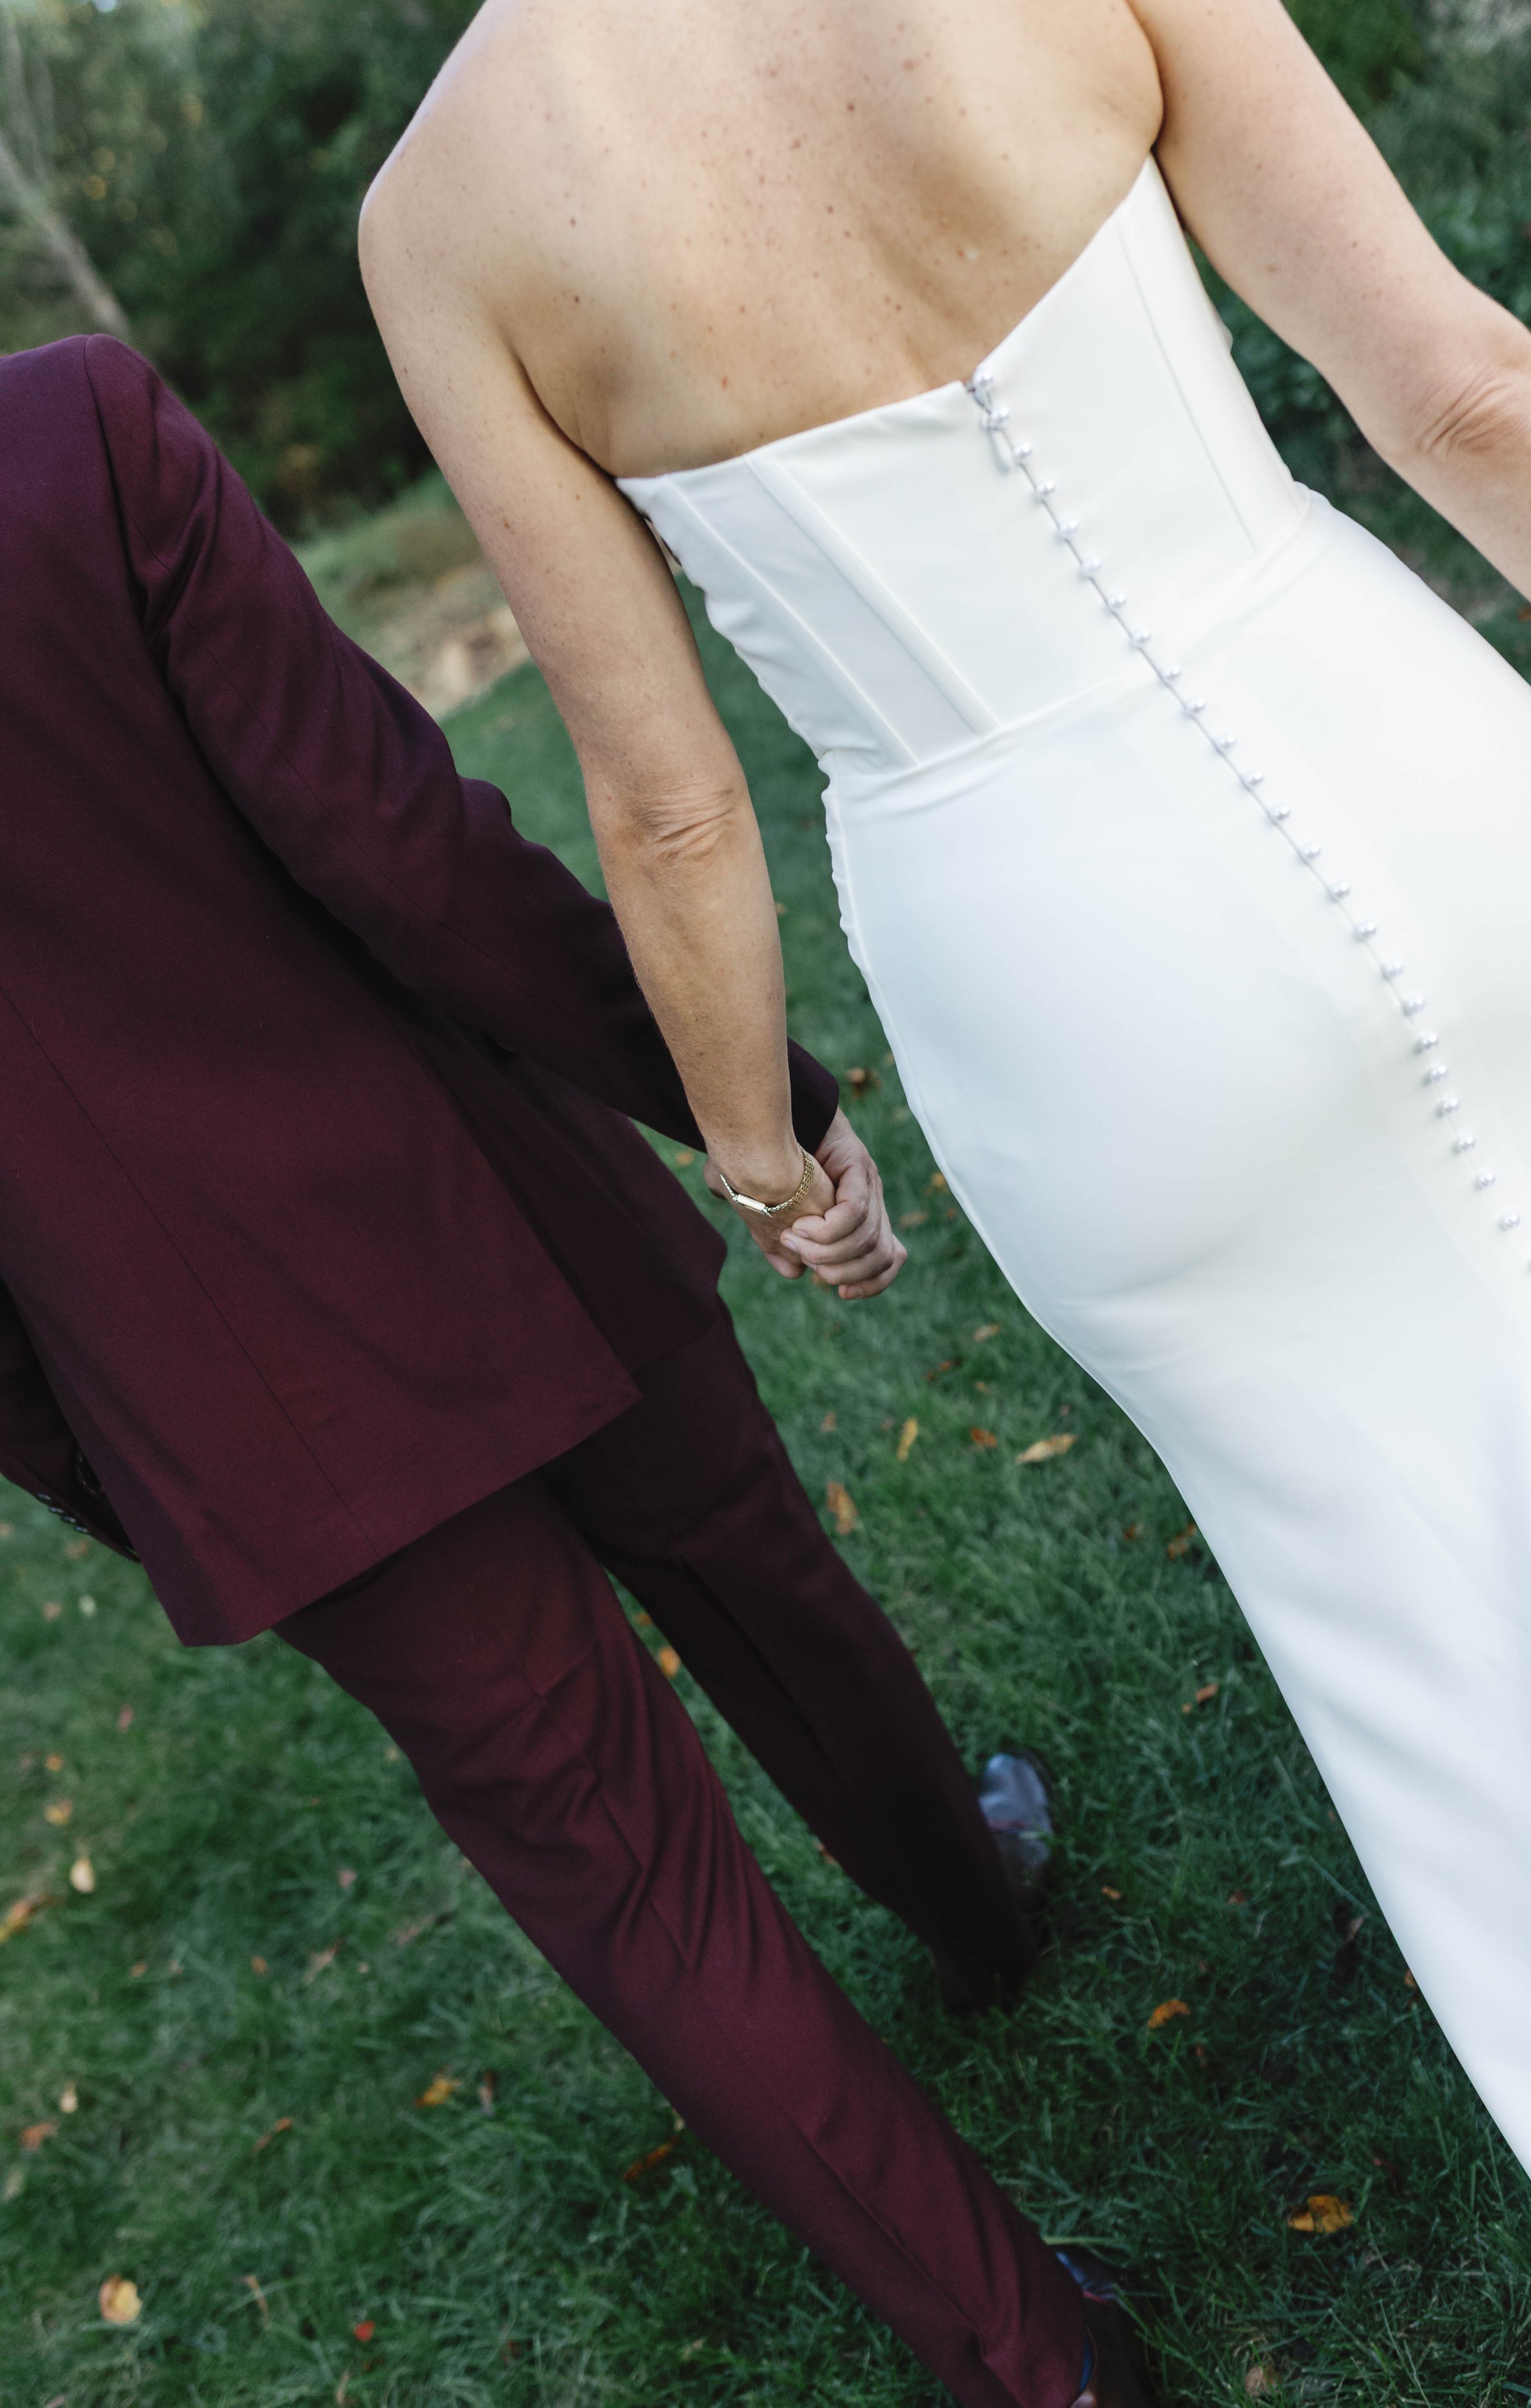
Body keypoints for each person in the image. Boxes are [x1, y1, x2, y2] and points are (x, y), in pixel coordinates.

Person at [361, 0, 1531, 2314]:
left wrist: (758, 1141)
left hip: (1064, 981)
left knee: (1421, 1617)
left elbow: (667, 799)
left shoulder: (445, 224)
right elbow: (1457, 391)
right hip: (1406, 773)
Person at [0, 331, 1160, 2408]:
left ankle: (1035, 2365)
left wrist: (108, 1459)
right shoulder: (62, 435)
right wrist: (740, 1101)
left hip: (232, 1400)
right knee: (759, 1583)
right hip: (489, 1196)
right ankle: (978, 1914)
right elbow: (402, 843)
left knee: (625, 1868)